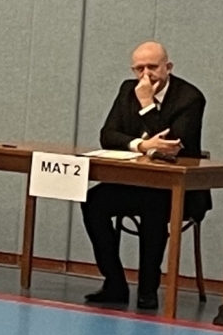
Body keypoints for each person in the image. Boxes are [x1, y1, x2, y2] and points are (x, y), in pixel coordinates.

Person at [81, 41, 209, 311]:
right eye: (139, 69)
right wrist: (142, 145)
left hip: (177, 188)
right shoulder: (127, 90)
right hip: (135, 181)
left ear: (168, 67)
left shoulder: (190, 97)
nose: (146, 75)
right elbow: (108, 135)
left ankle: (148, 289)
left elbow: (174, 143)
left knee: (154, 206)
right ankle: (114, 282)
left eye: (153, 67)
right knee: (93, 201)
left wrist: (148, 104)